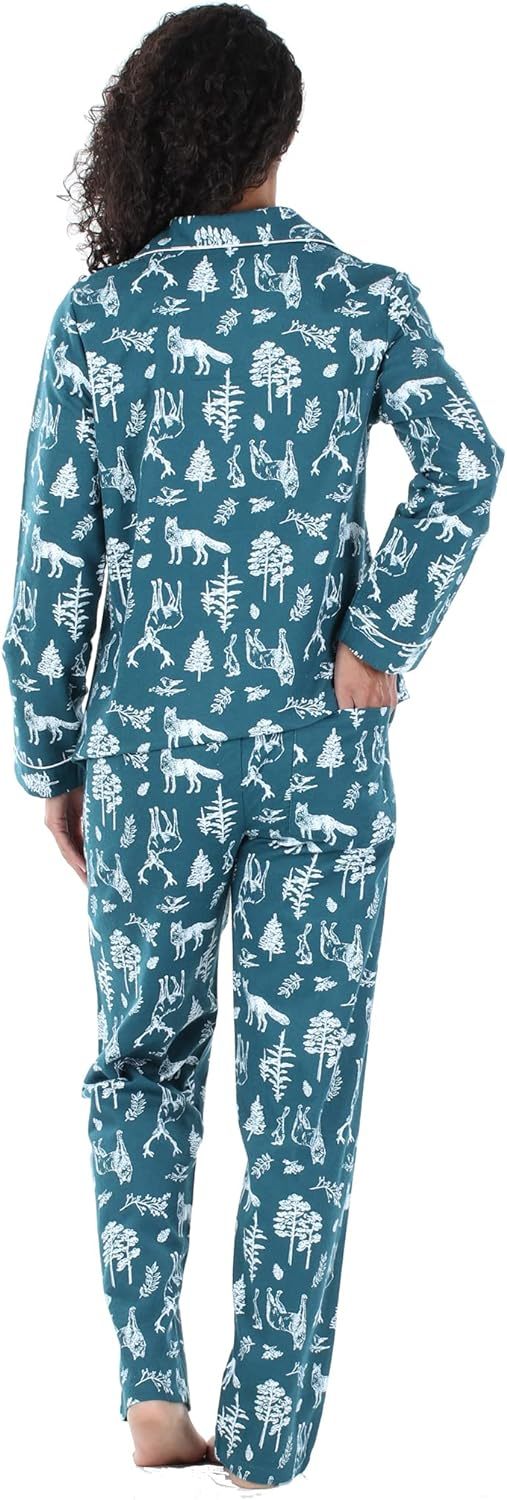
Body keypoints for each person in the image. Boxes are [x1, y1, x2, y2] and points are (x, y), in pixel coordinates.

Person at [2, 3, 504, 1490]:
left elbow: (51, 567)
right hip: (321, 759)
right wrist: (379, 640)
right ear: (282, 133)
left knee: (142, 1062)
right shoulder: (359, 296)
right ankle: (271, 1441)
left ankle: (154, 1399)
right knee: (307, 1088)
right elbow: (468, 462)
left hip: (148, 760)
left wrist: (51, 762)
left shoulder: (103, 320)